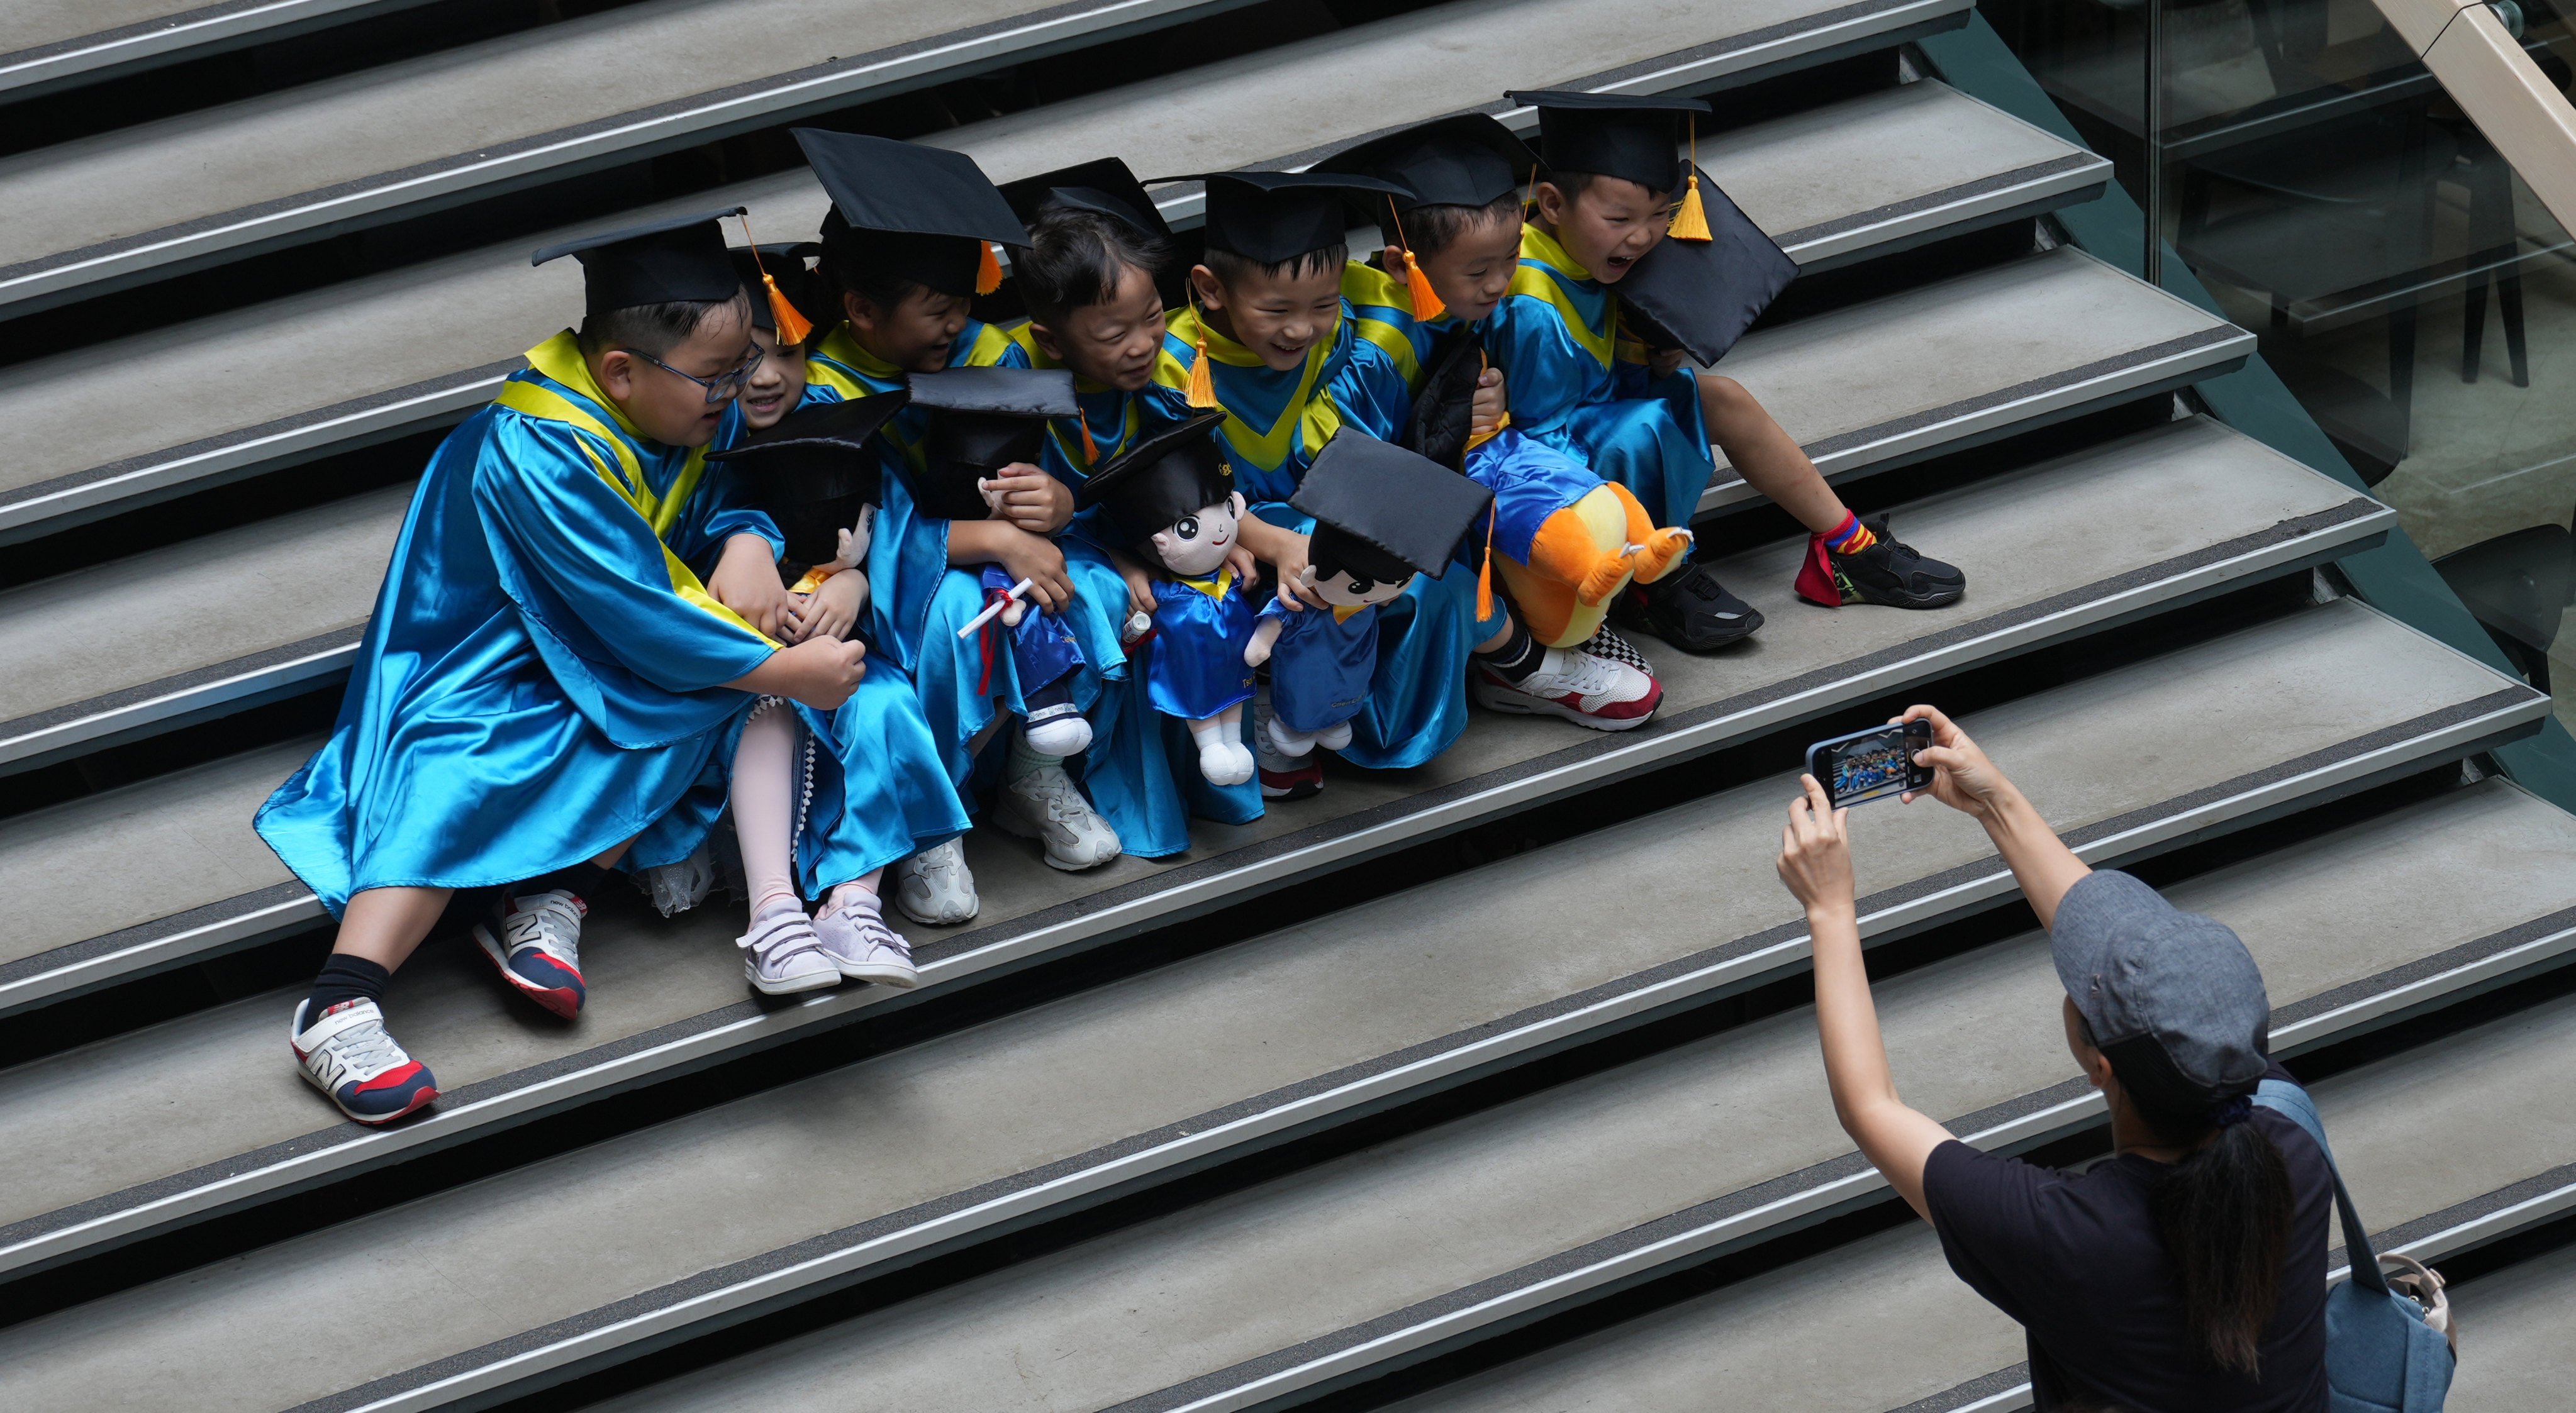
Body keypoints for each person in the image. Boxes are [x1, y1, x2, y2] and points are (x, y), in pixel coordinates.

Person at [256, 209, 868, 1122]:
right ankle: (338, 1000)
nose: (737, 393)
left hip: (583, 652)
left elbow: (719, 485)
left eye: (747, 367)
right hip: (472, 663)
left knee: (690, 704)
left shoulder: (664, 406)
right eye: (718, 377)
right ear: (620, 370)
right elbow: (635, 606)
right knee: (455, 764)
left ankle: (550, 894)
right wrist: (786, 674)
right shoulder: (535, 445)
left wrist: (747, 531)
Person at [1774, 705, 2333, 1410]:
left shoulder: (2067, 1236)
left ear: (2099, 1063)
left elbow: (1870, 1109)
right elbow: (2100, 944)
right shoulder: (2290, 1149)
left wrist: (1829, 908)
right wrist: (1995, 804)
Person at [1492, 91, 1968, 652]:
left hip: (1586, 427)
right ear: (1550, 203)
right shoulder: (1532, 303)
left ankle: (1847, 546)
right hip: (1540, 480)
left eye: (1661, 216)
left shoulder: (1590, 254)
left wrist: (1646, 355)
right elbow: (1541, 438)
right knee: (1643, 427)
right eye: (1620, 218)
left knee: (1722, 398)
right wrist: (1639, 382)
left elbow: (1600, 380)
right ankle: (1655, 580)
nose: (1643, 237)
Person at [792, 128, 1130, 919]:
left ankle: (1028, 776)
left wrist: (1056, 502)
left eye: (963, 306)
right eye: (937, 310)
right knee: (957, 616)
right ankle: (929, 824)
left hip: (1002, 554)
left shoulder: (992, 351)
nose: (957, 324)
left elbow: (1055, 468)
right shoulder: (821, 389)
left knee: (1088, 586)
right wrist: (995, 541)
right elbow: (862, 525)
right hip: (888, 587)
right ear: (861, 310)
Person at [1313, 113, 1673, 730]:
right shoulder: (1376, 345)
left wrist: (1488, 403)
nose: (1501, 284)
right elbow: (1361, 469)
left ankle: (1572, 627)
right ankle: (1523, 665)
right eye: (1480, 272)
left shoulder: (1459, 296)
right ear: (1405, 267)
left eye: (1511, 260)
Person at [1151, 167, 1498, 796]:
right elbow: (1168, 497)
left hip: (1329, 515)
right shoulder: (1170, 367)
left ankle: (1365, 724)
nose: (1301, 328)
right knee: (1301, 585)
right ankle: (1275, 713)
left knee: (1422, 577)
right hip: (1228, 543)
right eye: (1277, 309)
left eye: (1321, 304)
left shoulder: (1347, 332)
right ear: (1210, 288)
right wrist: (1270, 540)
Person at [1001, 159, 1267, 850]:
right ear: (1052, 340)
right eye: (1114, 334)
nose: (1143, 343)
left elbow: (1198, 481)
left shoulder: (1162, 381)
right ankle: (1039, 776)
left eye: (1151, 318)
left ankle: (1231, 751)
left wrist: (1224, 533)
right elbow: (1028, 523)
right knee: (1108, 600)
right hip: (1066, 560)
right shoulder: (1022, 397)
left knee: (1212, 584)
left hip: (1149, 546)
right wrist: (1093, 537)